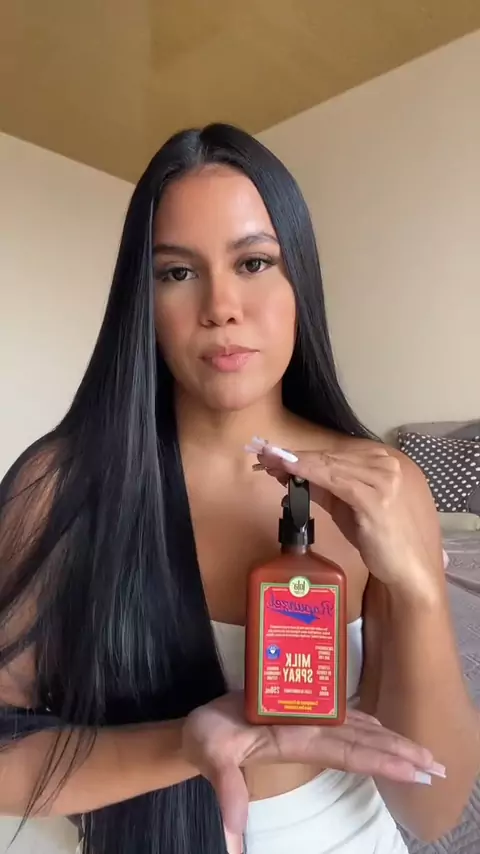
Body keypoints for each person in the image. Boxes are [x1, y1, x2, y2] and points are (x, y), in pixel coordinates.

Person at [0, 123, 477, 854]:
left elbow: (432, 811)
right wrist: (185, 743)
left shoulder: (385, 485)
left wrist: (418, 593)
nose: (221, 306)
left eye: (254, 262)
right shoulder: (58, 487)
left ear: (299, 281)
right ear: (141, 300)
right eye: (176, 273)